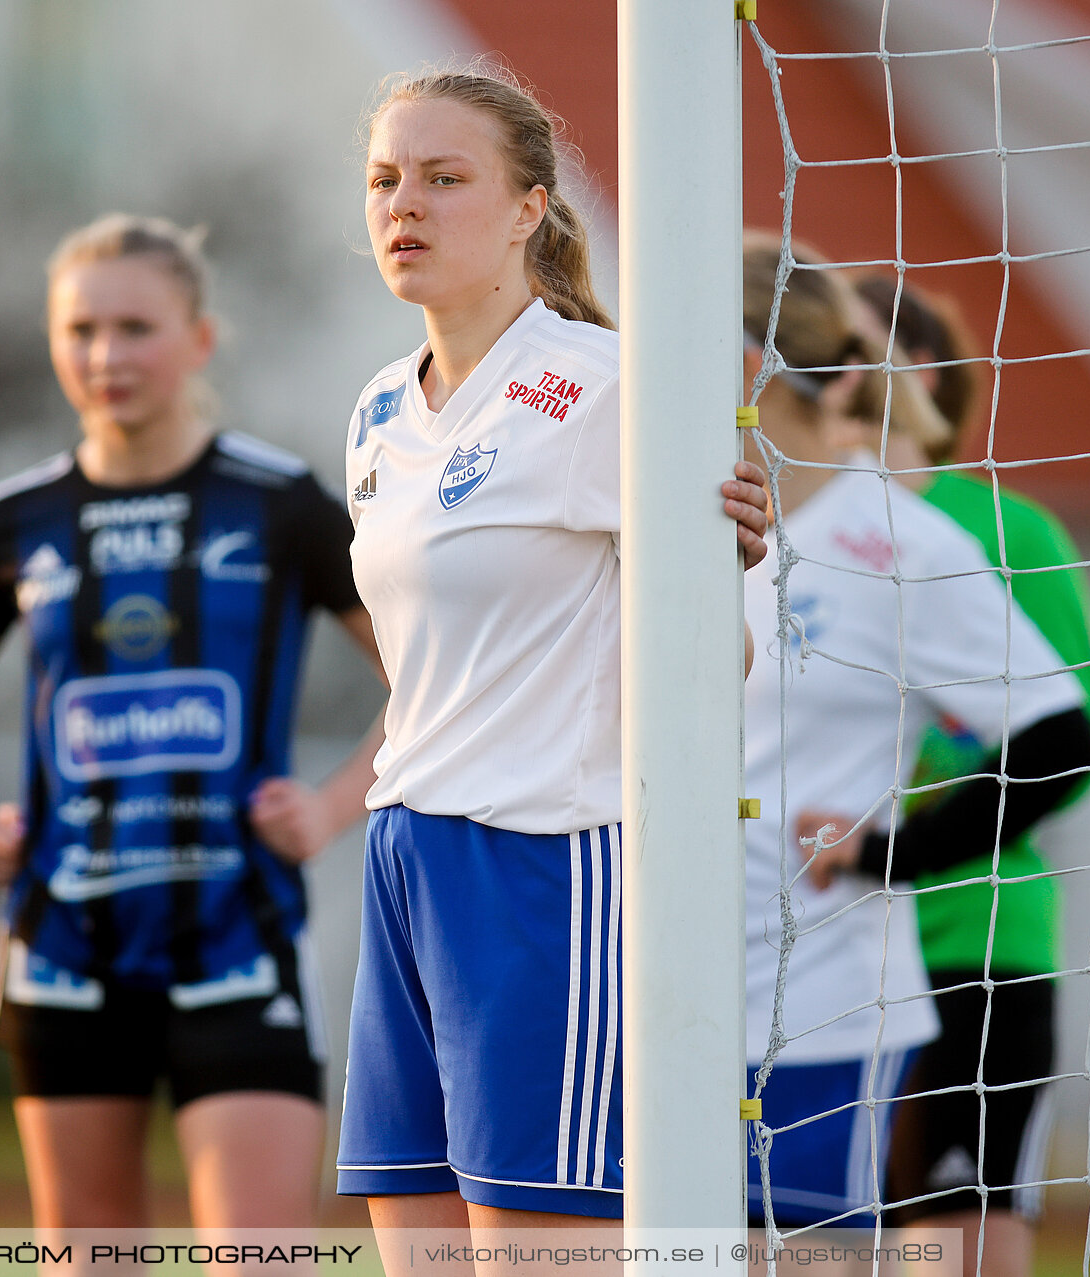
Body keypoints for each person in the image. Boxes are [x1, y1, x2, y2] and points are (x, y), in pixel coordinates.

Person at [332, 66, 772, 1250]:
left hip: (547, 866)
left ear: (529, 206)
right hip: (404, 851)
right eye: (384, 179)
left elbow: (725, 653)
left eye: (443, 176)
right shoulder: (379, 411)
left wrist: (728, 567)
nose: (403, 204)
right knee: (411, 1236)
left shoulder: (610, 387)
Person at [0, 213, 384, 1231]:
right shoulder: (12, 519)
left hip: (240, 938)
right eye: (82, 330)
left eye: (136, 327)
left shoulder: (281, 503)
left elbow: (429, 681)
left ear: (199, 339)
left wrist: (331, 807)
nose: (106, 355)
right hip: (65, 943)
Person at [738, 236, 1090, 1234]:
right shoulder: (672, 517)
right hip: (659, 988)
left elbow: (1062, 737)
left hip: (825, 1000)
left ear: (755, 365)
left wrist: (884, 852)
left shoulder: (901, 538)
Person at [852, 274, 1090, 1277]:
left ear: (925, 375)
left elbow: (1070, 746)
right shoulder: (778, 526)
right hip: (814, 960)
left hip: (976, 946)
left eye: (863, 351)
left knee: (958, 1245)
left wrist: (895, 854)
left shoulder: (1012, 532)